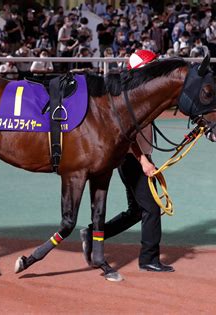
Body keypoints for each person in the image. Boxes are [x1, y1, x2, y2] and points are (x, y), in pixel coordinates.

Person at [81, 49, 174, 273]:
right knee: (151, 208)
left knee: (136, 211)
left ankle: (93, 233)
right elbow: (126, 133)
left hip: (136, 157)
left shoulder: (140, 94)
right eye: (152, 66)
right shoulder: (131, 97)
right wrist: (144, 160)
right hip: (133, 158)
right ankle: (149, 259)